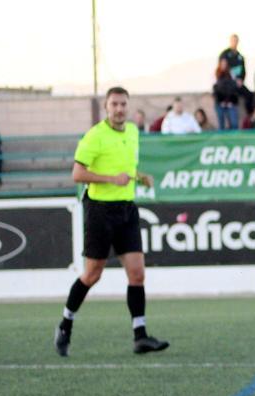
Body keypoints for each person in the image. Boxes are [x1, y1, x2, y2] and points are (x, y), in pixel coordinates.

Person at [54, 87, 169, 357]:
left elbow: (123, 170)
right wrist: (110, 179)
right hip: (99, 211)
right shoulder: (95, 136)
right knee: (93, 274)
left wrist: (139, 177)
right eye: (114, 104)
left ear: (128, 107)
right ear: (106, 107)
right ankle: (65, 325)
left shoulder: (132, 131)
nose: (119, 109)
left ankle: (140, 336)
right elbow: (77, 173)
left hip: (126, 209)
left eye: (123, 104)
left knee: (137, 273)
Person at [220, 34, 253, 112]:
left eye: (236, 41)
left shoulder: (240, 56)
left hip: (238, 83)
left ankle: (250, 116)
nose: (234, 42)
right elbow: (221, 70)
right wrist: (232, 81)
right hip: (227, 84)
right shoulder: (224, 54)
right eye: (233, 40)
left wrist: (241, 80)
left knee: (250, 95)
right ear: (230, 41)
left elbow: (243, 71)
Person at [213, 59, 241, 130]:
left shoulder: (231, 74)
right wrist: (220, 101)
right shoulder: (216, 74)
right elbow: (215, 90)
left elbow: (234, 89)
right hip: (220, 103)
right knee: (221, 125)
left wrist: (231, 101)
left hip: (230, 103)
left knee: (234, 124)